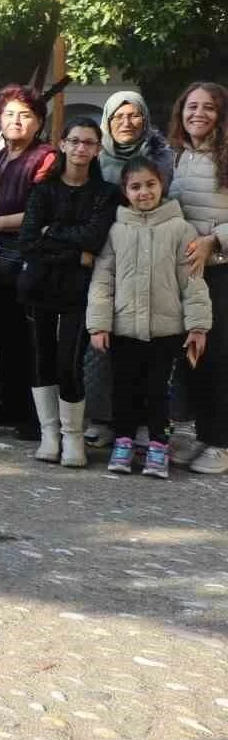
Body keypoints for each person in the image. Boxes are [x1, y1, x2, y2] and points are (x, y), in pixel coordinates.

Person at [88, 156, 211, 478]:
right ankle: (124, 441)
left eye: (150, 185)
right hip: (124, 328)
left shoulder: (180, 229)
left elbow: (192, 281)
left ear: (162, 186)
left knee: (160, 391)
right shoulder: (116, 230)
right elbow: (103, 279)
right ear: (125, 191)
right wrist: (99, 323)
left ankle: (159, 443)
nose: (144, 192)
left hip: (166, 331)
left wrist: (197, 325)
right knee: (124, 388)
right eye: (135, 186)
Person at [18, 117, 116, 465]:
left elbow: (95, 238)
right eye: (74, 141)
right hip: (40, 285)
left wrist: (51, 233)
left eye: (88, 143)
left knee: (69, 361)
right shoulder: (43, 189)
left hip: (79, 289)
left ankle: (72, 435)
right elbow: (29, 240)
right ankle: (49, 434)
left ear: (97, 149)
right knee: (41, 357)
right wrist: (76, 253)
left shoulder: (105, 194)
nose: (80, 148)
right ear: (62, 144)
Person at [83, 90, 174, 448]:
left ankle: (144, 427)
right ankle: (105, 419)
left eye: (134, 115)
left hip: (149, 259)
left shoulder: (162, 159)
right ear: (107, 120)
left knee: (146, 350)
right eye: (118, 115)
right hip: (102, 258)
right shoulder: (95, 158)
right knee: (101, 345)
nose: (126, 122)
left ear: (146, 118)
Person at [0, 85, 56, 435]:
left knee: (30, 340)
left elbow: (44, 211)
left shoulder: (46, 157)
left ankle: (38, 417)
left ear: (38, 122)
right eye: (9, 113)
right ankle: (11, 404)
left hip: (28, 258)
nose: (15, 120)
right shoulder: (1, 156)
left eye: (25, 115)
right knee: (5, 337)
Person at [167, 81, 228, 474]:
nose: (198, 114)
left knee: (219, 358)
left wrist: (214, 240)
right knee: (195, 359)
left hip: (221, 270)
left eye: (208, 107)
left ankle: (221, 443)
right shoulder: (179, 155)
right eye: (192, 106)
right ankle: (207, 437)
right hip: (188, 272)